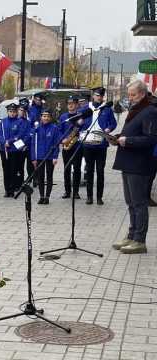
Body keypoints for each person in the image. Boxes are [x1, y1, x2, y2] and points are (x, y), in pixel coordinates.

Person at [112, 80, 157, 254]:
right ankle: (131, 235)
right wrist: (118, 138)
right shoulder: (135, 109)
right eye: (129, 95)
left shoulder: (150, 111)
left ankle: (140, 240)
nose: (130, 98)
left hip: (140, 164)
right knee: (130, 202)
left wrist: (128, 140)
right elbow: (132, 132)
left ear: (142, 94)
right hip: (127, 161)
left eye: (133, 95)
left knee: (139, 203)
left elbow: (151, 139)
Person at [81, 87, 117, 205]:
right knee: (89, 170)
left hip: (101, 144)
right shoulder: (86, 108)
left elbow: (113, 123)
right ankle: (89, 196)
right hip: (88, 144)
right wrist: (81, 124)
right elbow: (79, 123)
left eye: (101, 96)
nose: (99, 98)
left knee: (100, 171)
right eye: (97, 95)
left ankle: (99, 197)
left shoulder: (107, 109)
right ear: (93, 96)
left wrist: (108, 128)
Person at [30, 109, 60, 205]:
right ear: (41, 117)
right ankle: (41, 196)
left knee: (49, 176)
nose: (45, 118)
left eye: (47, 116)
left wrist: (55, 156)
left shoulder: (54, 128)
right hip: (39, 156)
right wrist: (33, 158)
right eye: (44, 116)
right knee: (40, 177)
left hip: (50, 156)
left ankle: (47, 197)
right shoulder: (36, 129)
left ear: (50, 118)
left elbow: (56, 143)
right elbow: (33, 144)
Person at [0, 103, 24, 198]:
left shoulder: (19, 121)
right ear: (7, 112)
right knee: (6, 170)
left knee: (13, 170)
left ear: (16, 112)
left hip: (14, 150)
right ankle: (7, 189)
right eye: (10, 111)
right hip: (4, 149)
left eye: (14, 111)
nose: (12, 113)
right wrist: (3, 142)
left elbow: (20, 134)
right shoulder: (3, 122)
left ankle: (12, 189)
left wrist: (10, 141)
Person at [59, 95, 83, 199]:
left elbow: (83, 129)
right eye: (69, 103)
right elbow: (59, 130)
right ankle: (67, 191)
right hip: (66, 145)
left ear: (77, 104)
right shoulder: (63, 116)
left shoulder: (81, 116)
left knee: (77, 169)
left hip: (77, 145)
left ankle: (76, 192)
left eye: (72, 103)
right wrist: (62, 139)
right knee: (66, 168)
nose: (70, 105)